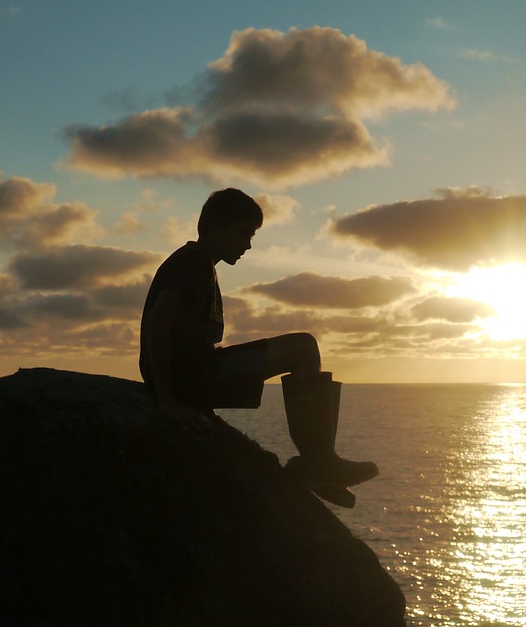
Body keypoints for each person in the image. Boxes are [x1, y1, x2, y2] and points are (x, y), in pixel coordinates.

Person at [139, 188, 377, 508]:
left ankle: (320, 466)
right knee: (304, 349)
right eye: (243, 233)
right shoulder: (192, 262)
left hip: (193, 374)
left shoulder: (200, 263)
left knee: (305, 348)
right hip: (193, 376)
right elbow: (157, 325)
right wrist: (168, 399)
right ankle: (318, 464)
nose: (248, 244)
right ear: (216, 226)